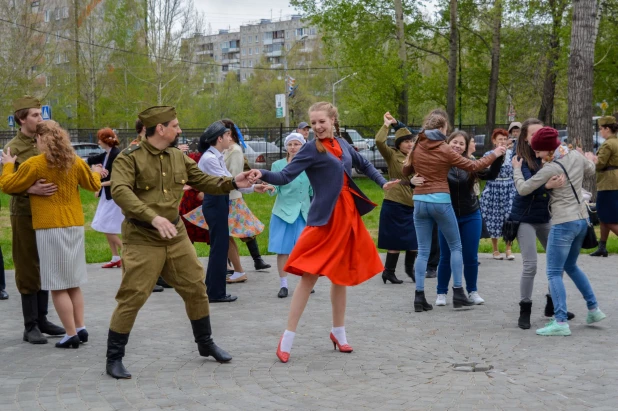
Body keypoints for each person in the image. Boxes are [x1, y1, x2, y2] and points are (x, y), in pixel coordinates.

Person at [105, 106, 253, 379]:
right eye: (175, 125)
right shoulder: (129, 159)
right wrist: (152, 217)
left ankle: (205, 344)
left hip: (175, 234)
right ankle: (114, 358)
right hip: (142, 236)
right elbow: (120, 191)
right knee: (133, 295)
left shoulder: (177, 157)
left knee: (196, 287)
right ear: (160, 129)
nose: (179, 129)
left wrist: (234, 182)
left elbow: (204, 181)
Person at [251, 102, 398, 363]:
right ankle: (287, 338)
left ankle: (338, 333)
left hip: (348, 216)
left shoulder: (342, 144)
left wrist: (384, 183)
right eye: (313, 123)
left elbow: (365, 165)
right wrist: (260, 173)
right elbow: (285, 176)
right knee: (309, 277)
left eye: (322, 122)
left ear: (333, 120)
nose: (318, 127)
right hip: (324, 219)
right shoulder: (310, 149)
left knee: (340, 277)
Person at [1, 120, 103, 348]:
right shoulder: (74, 162)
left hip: (50, 228)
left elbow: (7, 185)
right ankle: (80, 326)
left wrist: (8, 164)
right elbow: (93, 185)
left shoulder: (36, 164)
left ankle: (70, 334)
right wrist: (96, 171)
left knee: (57, 285)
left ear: (39, 139)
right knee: (73, 282)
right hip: (74, 226)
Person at [402, 111, 505, 312]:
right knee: (456, 247)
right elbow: (474, 165)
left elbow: (405, 170)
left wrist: (415, 177)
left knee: (423, 251)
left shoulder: (417, 144)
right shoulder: (444, 148)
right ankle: (458, 292)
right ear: (441, 129)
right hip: (440, 200)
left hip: (419, 201)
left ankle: (419, 297)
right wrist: (494, 154)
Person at [512, 127, 606, 336]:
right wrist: (584, 157)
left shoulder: (551, 168)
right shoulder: (573, 155)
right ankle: (594, 309)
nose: (535, 154)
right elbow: (591, 168)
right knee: (571, 266)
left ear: (547, 149)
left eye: (538, 151)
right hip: (581, 221)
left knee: (554, 272)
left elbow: (523, 189)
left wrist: (517, 169)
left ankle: (560, 321)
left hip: (563, 222)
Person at [1, 96, 65, 344]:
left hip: (48, 212)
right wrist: (30, 189)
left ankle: (43, 319)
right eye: (36, 115)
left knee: (46, 264)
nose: (41, 118)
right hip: (25, 213)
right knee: (28, 266)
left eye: (41, 114)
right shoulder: (13, 149)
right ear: (21, 119)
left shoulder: (46, 142)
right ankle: (30, 326)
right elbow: (5, 183)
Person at [191, 121, 271, 303]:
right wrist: (249, 185)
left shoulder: (216, 156)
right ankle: (215, 292)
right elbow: (228, 182)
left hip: (219, 201)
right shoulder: (210, 159)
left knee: (220, 248)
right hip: (215, 202)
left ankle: (214, 289)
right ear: (219, 138)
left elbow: (231, 183)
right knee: (219, 249)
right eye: (227, 135)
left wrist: (254, 187)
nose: (230, 138)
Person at [509, 119, 574, 329]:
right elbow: (526, 186)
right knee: (531, 265)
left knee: (557, 263)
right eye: (533, 133)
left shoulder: (552, 154)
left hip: (545, 217)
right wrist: (547, 184)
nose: (537, 136)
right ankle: (524, 309)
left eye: (541, 132)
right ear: (525, 136)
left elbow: (562, 177)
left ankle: (552, 304)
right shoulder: (519, 156)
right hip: (525, 217)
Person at [433, 131, 504, 306]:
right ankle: (441, 292)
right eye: (454, 142)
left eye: (461, 144)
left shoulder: (471, 164)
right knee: (446, 256)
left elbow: (490, 175)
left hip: (471, 214)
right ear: (447, 143)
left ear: (466, 148)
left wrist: (499, 158)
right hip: (447, 216)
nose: (457, 146)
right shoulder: (440, 164)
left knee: (470, 257)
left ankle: (472, 291)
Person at [222, 119, 271, 275]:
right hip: (225, 196)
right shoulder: (224, 150)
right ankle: (231, 265)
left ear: (229, 133)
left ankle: (248, 263)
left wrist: (252, 187)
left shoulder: (235, 151)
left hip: (232, 197)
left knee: (244, 230)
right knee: (227, 233)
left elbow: (236, 179)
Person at [268, 133, 313, 298]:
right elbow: (275, 186)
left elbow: (312, 190)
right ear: (286, 147)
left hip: (303, 213)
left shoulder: (309, 165)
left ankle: (306, 281)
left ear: (303, 146)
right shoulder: (278, 165)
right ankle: (284, 284)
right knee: (283, 250)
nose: (293, 147)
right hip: (283, 213)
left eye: (297, 144)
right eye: (290, 144)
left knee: (304, 250)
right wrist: (271, 188)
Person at [377, 112, 419, 284]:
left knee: (414, 240)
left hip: (413, 202)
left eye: (411, 141)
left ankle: (410, 270)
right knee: (394, 240)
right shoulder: (393, 155)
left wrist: (398, 123)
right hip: (395, 201)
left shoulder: (417, 156)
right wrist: (386, 125)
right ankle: (389, 272)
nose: (410, 144)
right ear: (400, 144)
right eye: (406, 142)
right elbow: (379, 141)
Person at [88, 128, 123, 268]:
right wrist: (96, 169)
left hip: (114, 196)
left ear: (105, 141)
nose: (98, 142)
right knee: (106, 226)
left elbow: (118, 179)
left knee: (105, 225)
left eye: (99, 140)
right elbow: (88, 161)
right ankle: (115, 257)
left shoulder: (117, 155)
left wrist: (99, 184)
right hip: (107, 196)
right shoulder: (107, 154)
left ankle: (126, 251)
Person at [480, 129, 517, 260]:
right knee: (493, 218)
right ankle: (495, 249)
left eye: (504, 139)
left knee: (509, 218)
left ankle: (508, 248)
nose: (502, 141)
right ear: (494, 141)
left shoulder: (512, 154)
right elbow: (485, 172)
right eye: (499, 139)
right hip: (494, 188)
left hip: (508, 188)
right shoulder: (489, 154)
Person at [589, 116, 618, 257]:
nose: (600, 131)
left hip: (608, 183)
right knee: (605, 216)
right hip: (613, 182)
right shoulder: (616, 142)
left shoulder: (608, 144)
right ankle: (602, 246)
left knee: (607, 217)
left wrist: (589, 159)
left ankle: (602, 246)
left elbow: (600, 163)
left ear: (607, 128)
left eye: (601, 129)